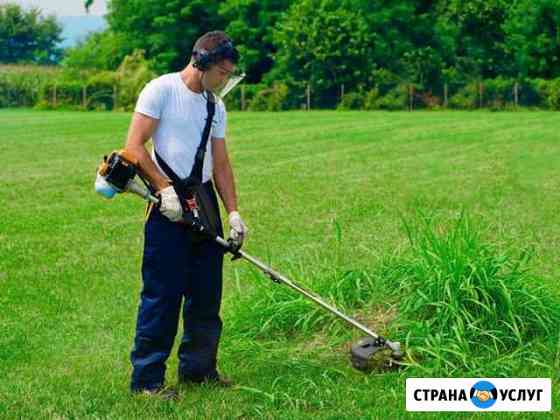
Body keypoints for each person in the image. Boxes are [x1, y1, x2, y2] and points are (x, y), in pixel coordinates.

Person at [124, 31, 248, 398]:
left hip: (204, 201)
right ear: (203, 63)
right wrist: (163, 188)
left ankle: (198, 370)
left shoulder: (215, 106)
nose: (225, 80)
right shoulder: (161, 90)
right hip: (166, 203)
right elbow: (134, 146)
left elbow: (221, 163)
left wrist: (235, 212)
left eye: (229, 74)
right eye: (223, 72)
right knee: (162, 294)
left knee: (207, 293)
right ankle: (147, 381)